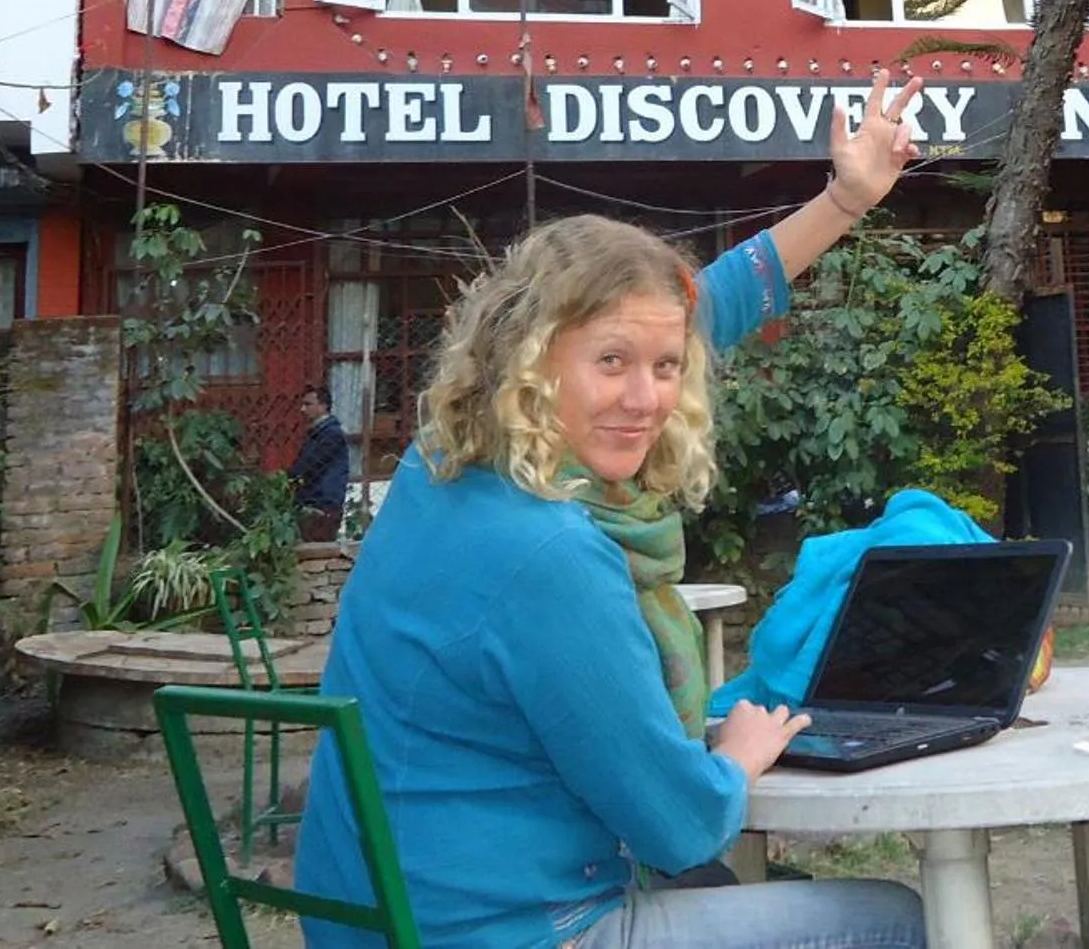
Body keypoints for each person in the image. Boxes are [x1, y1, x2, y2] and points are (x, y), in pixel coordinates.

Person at [295, 75, 928, 949]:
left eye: (665, 366)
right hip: (500, 932)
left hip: (379, 921)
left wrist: (845, 198)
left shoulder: (438, 464)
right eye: (611, 361)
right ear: (530, 359)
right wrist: (735, 760)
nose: (645, 397)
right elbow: (679, 823)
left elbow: (701, 306)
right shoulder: (551, 550)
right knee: (889, 917)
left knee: (716, 886)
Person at [285, 383, 351, 540]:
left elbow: (308, 465)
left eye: (308, 404)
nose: (303, 409)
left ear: (323, 405)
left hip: (322, 504)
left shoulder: (330, 434)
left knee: (317, 550)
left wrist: (288, 479)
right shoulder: (319, 432)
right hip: (317, 502)